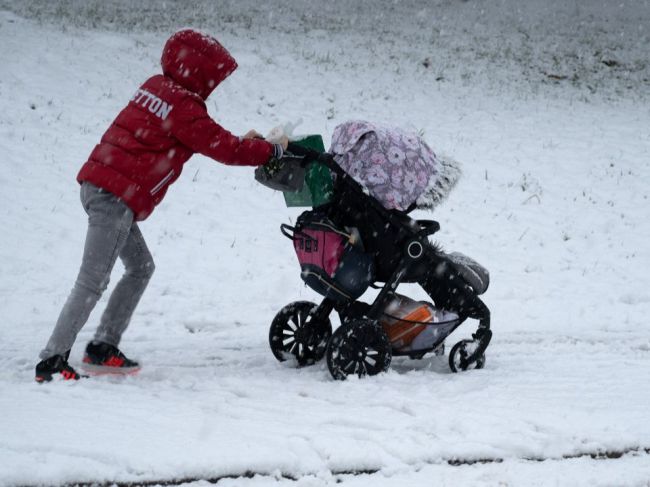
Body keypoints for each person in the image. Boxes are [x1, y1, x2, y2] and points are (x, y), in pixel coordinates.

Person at [35, 29, 288, 382]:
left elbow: (208, 136)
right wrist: (271, 150)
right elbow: (223, 148)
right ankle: (52, 360)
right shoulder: (185, 106)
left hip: (101, 185)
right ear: (199, 72)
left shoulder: (156, 87)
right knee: (92, 280)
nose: (215, 84)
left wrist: (242, 142)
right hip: (114, 198)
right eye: (213, 76)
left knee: (140, 266)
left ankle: (103, 346)